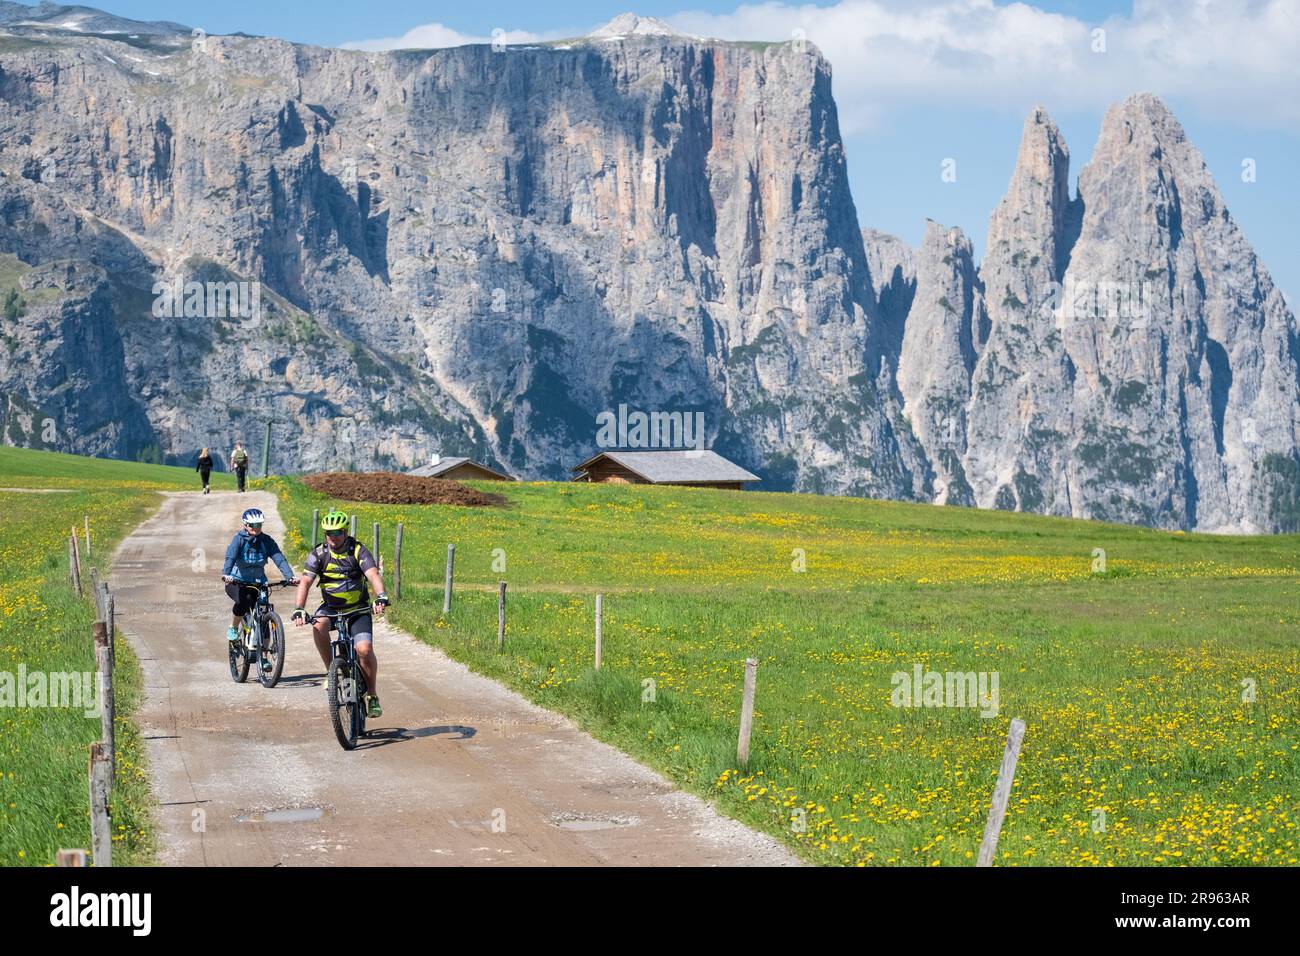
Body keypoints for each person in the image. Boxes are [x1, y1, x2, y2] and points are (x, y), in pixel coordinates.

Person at [292, 510, 389, 718]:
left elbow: (372, 574)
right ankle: (332, 671)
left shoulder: (358, 550)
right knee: (318, 625)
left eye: (337, 532)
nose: (333, 537)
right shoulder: (318, 554)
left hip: (358, 609)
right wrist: (299, 607)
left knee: (363, 649)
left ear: (345, 532)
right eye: (328, 533)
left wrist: (381, 596)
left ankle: (372, 696)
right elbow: (306, 581)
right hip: (331, 608)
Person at [221, 508, 296, 666]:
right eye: (253, 525)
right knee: (245, 600)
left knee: (265, 614)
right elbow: (230, 557)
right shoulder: (238, 540)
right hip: (236, 582)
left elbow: (279, 558)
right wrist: (226, 574)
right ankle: (234, 628)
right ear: (246, 525)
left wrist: (290, 577)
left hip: (258, 582)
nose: (257, 528)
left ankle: (262, 657)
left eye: (259, 525)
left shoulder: (266, 541)